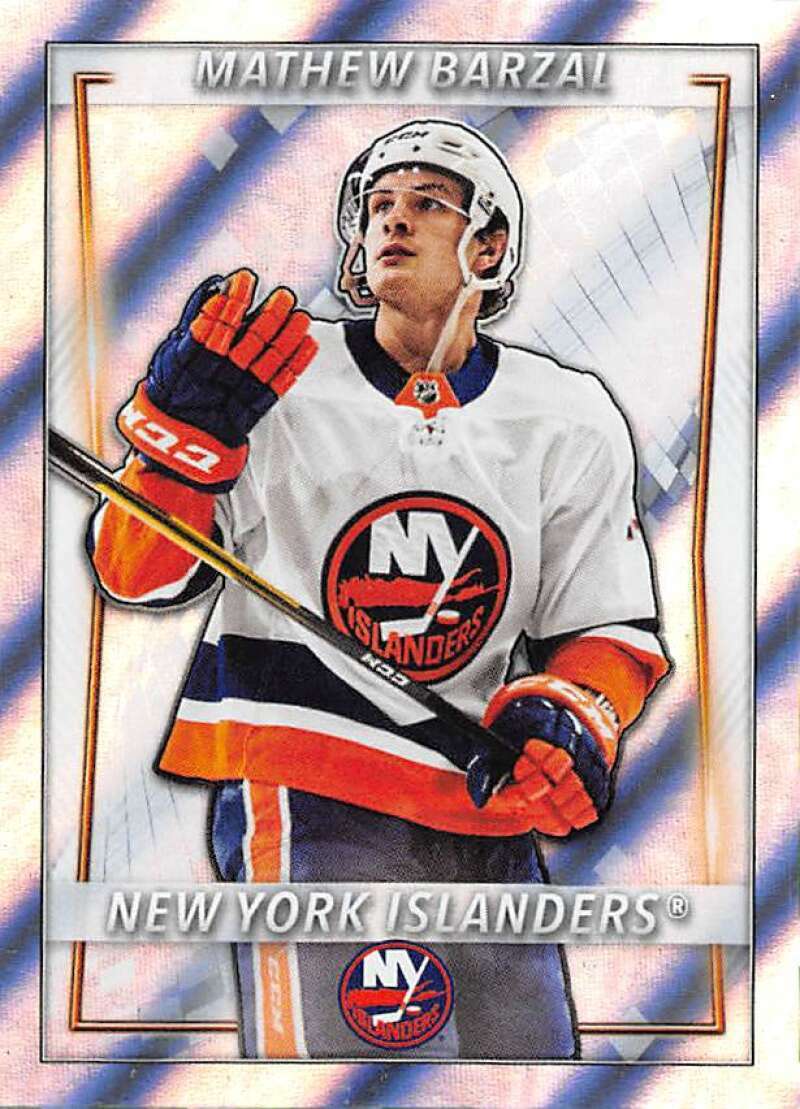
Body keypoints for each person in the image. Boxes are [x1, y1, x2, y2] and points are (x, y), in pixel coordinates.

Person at [87, 118, 668, 1059]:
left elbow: (606, 628)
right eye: (380, 205)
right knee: (340, 1072)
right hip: (305, 782)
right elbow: (135, 570)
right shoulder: (278, 374)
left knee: (528, 1075)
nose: (393, 220)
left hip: (483, 801)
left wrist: (567, 714)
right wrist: (179, 452)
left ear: (489, 247)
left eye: (428, 203)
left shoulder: (567, 414)